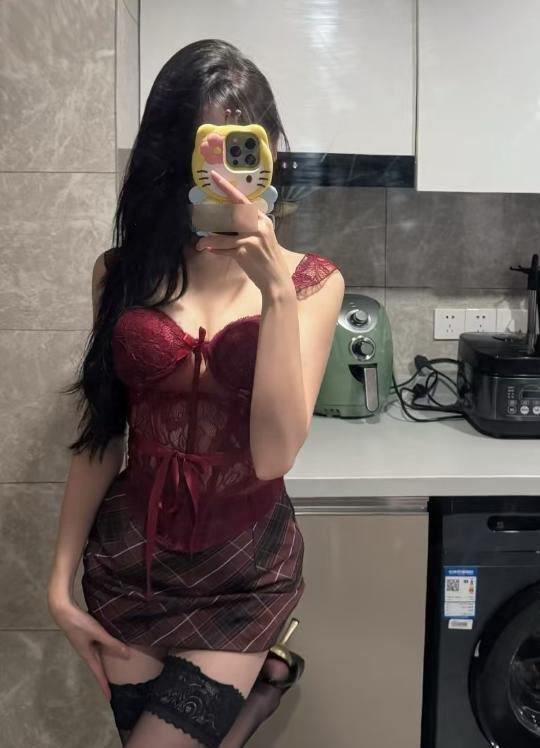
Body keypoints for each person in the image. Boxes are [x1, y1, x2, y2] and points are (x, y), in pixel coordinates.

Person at [46, 38, 345, 747]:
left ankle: (258, 683)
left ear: (268, 151)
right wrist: (58, 582)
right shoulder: (121, 272)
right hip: (130, 563)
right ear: (171, 158)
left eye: (240, 150)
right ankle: (262, 691)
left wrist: (274, 292)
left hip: (243, 570)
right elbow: (103, 431)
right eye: (203, 151)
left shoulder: (311, 283)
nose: (223, 175)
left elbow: (274, 455)